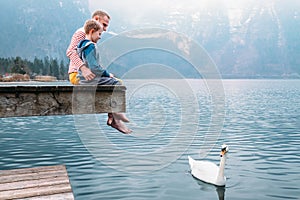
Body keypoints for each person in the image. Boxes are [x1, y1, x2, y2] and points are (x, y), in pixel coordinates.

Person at [77, 19, 132, 134]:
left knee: (112, 84)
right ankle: (116, 116)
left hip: (84, 80)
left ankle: (112, 116)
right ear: (92, 31)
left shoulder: (81, 45)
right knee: (117, 84)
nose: (100, 37)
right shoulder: (90, 46)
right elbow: (94, 67)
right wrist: (108, 74)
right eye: (99, 34)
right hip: (91, 80)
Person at [66, 10, 110, 85]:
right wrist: (84, 69)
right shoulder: (82, 33)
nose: (105, 29)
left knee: (113, 80)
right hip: (78, 74)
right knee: (116, 82)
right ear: (96, 19)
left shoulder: (91, 37)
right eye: (104, 25)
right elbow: (70, 51)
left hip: (87, 75)